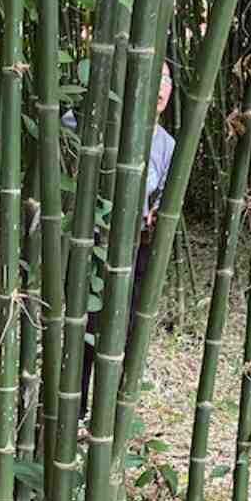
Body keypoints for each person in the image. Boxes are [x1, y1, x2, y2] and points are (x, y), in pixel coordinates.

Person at [77, 62, 174, 416]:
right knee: (87, 323)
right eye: (154, 78)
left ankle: (114, 414)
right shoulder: (110, 126)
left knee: (128, 327)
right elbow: (68, 126)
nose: (161, 87)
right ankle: (76, 410)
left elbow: (164, 199)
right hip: (98, 239)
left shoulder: (167, 145)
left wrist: (154, 214)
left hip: (137, 246)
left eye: (166, 80)